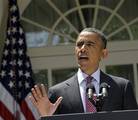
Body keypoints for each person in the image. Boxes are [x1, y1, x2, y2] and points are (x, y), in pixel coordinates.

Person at [29, 28, 138, 117]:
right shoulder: (57, 93)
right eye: (79, 44)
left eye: (90, 44)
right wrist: (46, 117)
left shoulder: (122, 87)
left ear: (103, 53)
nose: (83, 49)